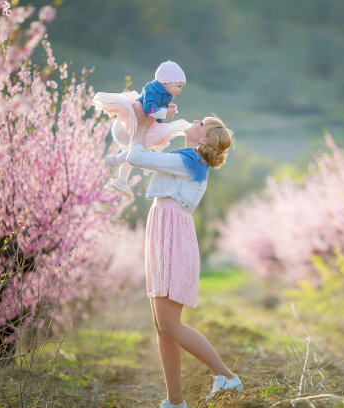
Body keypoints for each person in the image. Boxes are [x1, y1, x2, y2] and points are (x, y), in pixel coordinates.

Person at [108, 117, 242, 408]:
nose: (194, 121)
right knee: (162, 326)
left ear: (203, 140)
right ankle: (175, 400)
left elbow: (138, 157)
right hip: (163, 230)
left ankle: (227, 375)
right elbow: (139, 155)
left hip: (173, 236)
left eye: (201, 123)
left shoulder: (189, 162)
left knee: (170, 325)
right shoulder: (186, 159)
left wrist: (141, 126)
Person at [93, 60, 190, 198]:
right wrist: (165, 113)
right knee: (136, 149)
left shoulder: (164, 91)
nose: (180, 90)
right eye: (179, 86)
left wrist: (167, 108)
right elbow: (148, 108)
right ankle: (114, 162)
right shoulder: (153, 89)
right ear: (166, 81)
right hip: (131, 123)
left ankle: (121, 179)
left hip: (142, 124)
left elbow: (156, 107)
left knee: (136, 150)